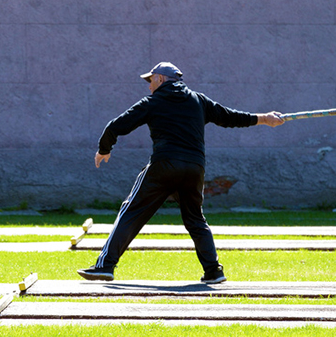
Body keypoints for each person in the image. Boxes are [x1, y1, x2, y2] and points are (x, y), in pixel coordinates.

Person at [77, 62, 284, 284]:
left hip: (164, 165)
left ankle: (105, 266)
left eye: (151, 80)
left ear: (161, 79)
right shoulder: (199, 100)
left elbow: (115, 126)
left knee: (131, 211)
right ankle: (214, 271)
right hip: (195, 168)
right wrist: (264, 118)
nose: (148, 86)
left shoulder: (153, 102)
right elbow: (230, 117)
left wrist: (103, 150)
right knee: (195, 219)